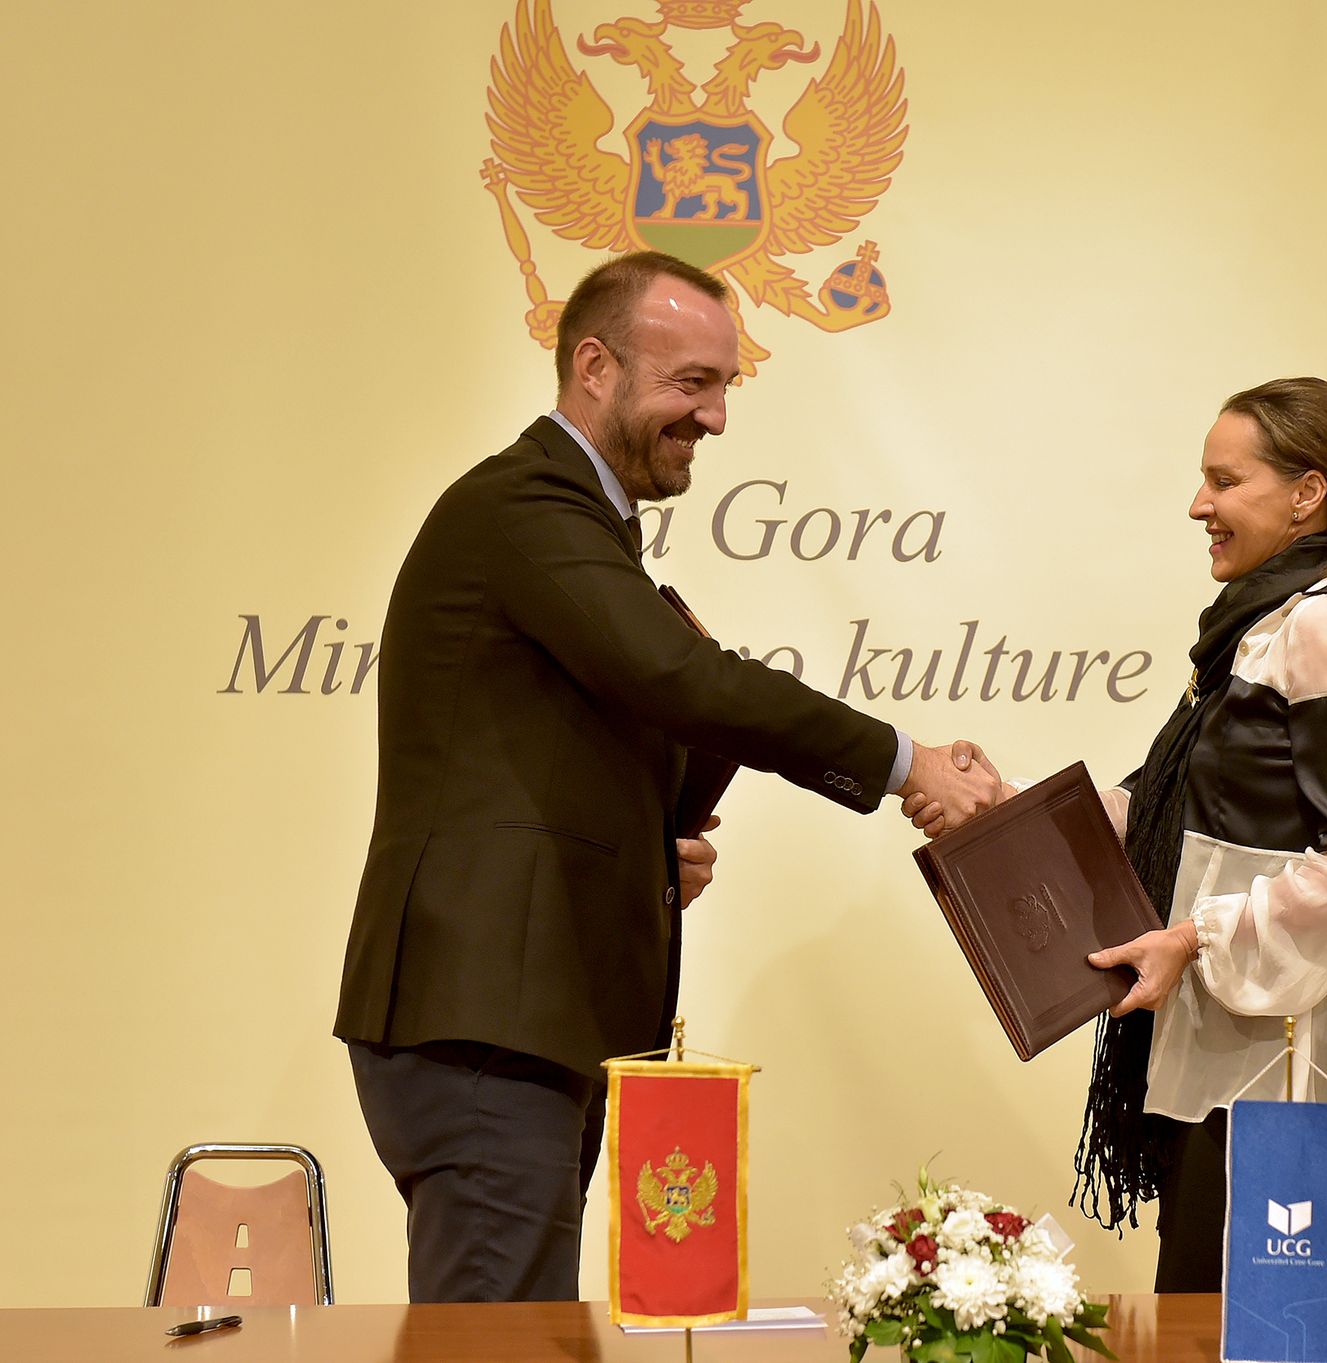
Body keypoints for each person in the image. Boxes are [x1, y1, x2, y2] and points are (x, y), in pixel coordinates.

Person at [335, 250, 1001, 1303]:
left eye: (724, 386)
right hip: (483, 1027)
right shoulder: (524, 506)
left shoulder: (574, 524)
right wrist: (906, 763)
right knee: (497, 1340)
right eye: (691, 383)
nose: (716, 417)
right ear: (594, 365)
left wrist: (646, 857)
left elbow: (583, 746)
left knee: (517, 1327)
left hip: (519, 1026)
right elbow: (680, 679)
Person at [908, 376, 1327, 1291]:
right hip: (1220, 1038)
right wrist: (1003, 805)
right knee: (1196, 1305)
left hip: (1279, 1061)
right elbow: (1164, 808)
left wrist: (1193, 938)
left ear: (1306, 493)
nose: (1198, 505)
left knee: (1254, 1325)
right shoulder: (1263, 624)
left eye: (1224, 481)